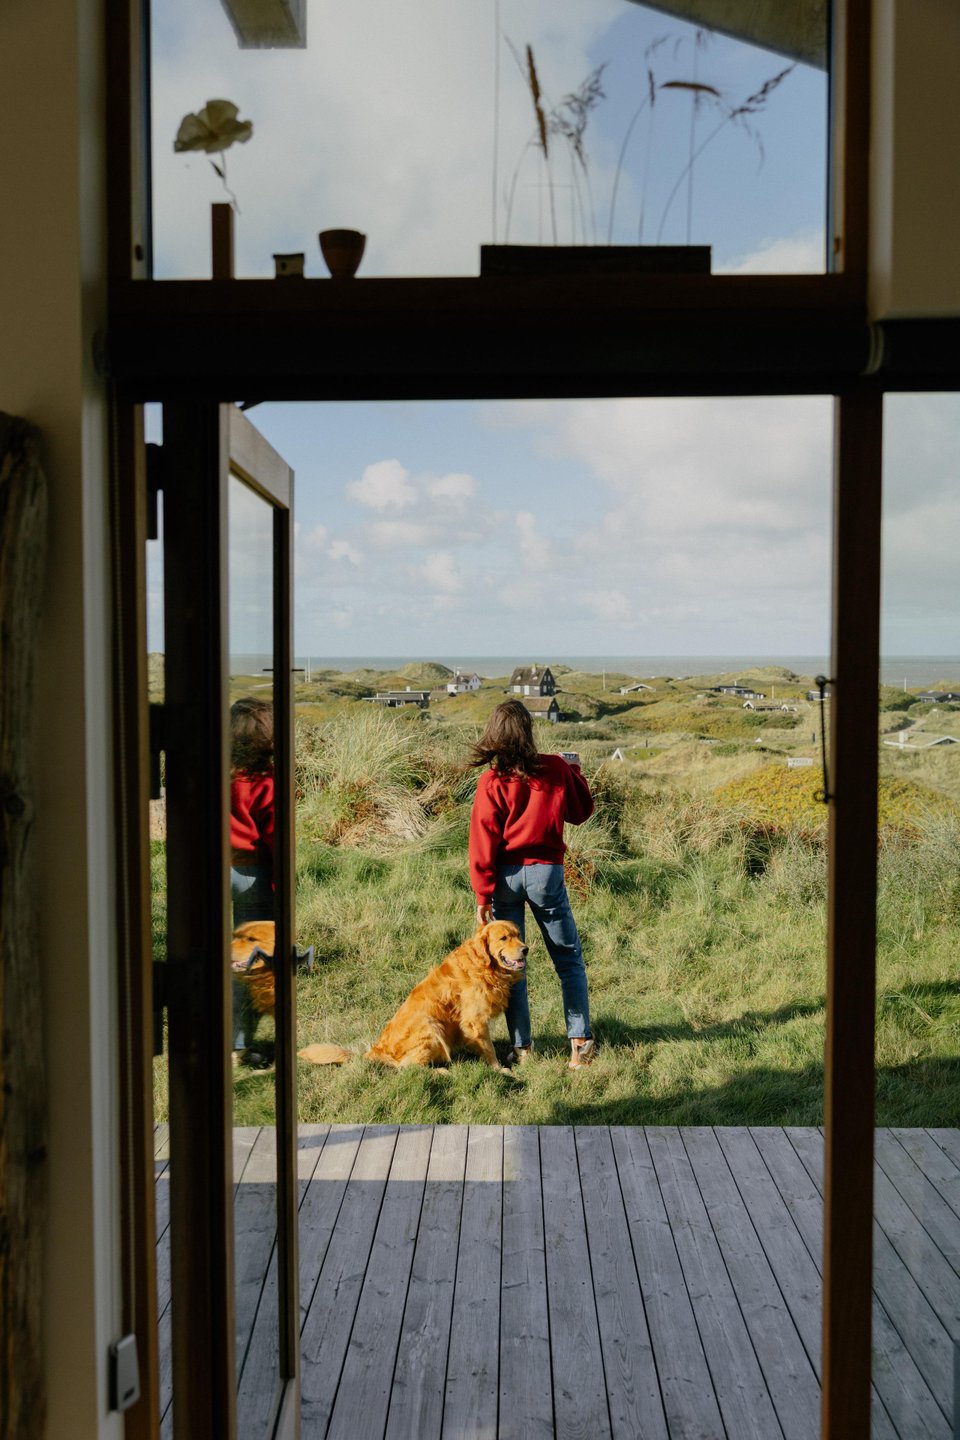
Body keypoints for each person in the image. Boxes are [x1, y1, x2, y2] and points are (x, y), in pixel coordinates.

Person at [468, 699, 597, 1070]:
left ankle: (522, 1049)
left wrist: (482, 892)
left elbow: (482, 839)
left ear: (494, 734)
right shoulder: (555, 767)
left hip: (505, 877)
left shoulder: (491, 781)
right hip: (546, 873)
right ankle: (580, 1046)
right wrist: (576, 773)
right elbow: (580, 813)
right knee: (568, 960)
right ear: (528, 731)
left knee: (512, 965)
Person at [230, 697, 275, 1063]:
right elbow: (275, 840)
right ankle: (240, 1044)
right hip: (252, 872)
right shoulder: (266, 783)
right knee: (250, 961)